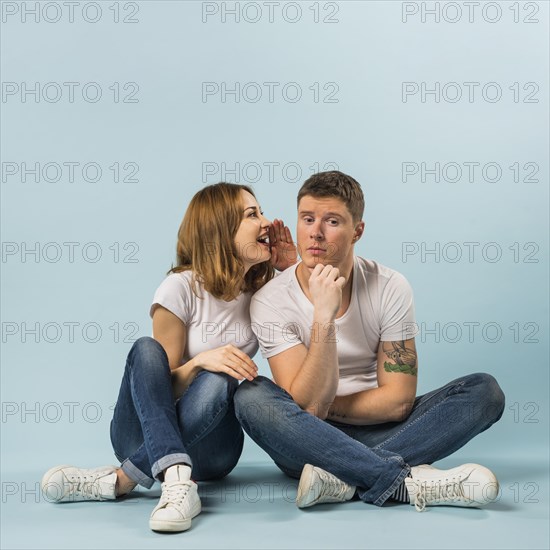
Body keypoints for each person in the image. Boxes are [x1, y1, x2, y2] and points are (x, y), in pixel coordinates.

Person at [234, 170, 505, 512]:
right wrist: (323, 317)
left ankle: (341, 478)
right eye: (307, 219)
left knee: (484, 392)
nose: (315, 232)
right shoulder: (271, 300)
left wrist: (320, 410)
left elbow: (397, 403)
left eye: (332, 221)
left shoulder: (389, 286)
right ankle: (400, 481)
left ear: (357, 231)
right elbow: (301, 402)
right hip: (302, 440)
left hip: (375, 430)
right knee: (250, 397)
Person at [41, 182, 297, 532]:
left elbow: (306, 339)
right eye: (252, 214)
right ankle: (177, 482)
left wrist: (290, 271)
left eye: (261, 211)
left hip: (213, 451)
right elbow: (159, 388)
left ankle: (123, 480)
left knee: (222, 377)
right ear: (220, 229)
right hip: (139, 437)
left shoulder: (264, 296)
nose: (267, 222)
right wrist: (199, 362)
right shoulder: (180, 287)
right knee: (147, 350)